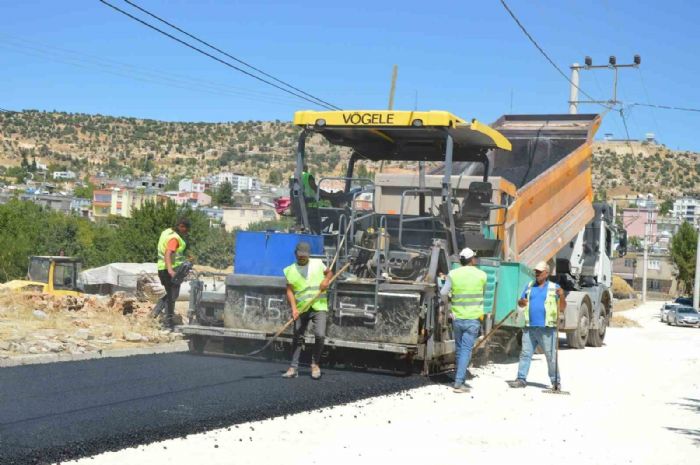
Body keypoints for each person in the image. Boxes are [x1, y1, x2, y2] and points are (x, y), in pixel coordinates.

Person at [507, 261, 566, 391]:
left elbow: (562, 307)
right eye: (536, 272)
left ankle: (556, 382)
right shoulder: (529, 286)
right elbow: (521, 302)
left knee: (551, 357)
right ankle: (521, 379)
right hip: (529, 327)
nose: (537, 274)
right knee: (525, 354)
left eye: (539, 272)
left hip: (547, 329)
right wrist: (521, 302)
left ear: (546, 273)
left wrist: (561, 296)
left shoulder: (554, 287)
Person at [282, 241, 332, 380]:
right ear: (295, 254)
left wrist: (326, 280)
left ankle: (315, 364)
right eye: (300, 255)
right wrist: (293, 309)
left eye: (305, 255)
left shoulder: (317, 263)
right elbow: (290, 291)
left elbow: (329, 273)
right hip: (301, 308)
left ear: (308, 255)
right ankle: (293, 368)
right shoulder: (290, 270)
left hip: (319, 305)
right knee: (297, 336)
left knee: (320, 335)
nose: (302, 258)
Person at [440, 247, 487, 393]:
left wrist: (449, 303)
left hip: (457, 318)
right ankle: (459, 383)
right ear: (472, 259)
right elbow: (482, 293)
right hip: (473, 318)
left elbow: (443, 292)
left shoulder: (453, 274)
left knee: (460, 350)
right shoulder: (482, 275)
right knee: (466, 350)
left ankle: (460, 378)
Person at [153, 218, 190, 329]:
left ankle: (154, 314)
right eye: (186, 229)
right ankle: (168, 323)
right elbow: (168, 253)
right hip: (170, 270)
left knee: (170, 294)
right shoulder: (174, 238)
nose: (186, 232)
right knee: (172, 296)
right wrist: (170, 270)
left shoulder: (167, 232)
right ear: (181, 226)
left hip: (162, 268)